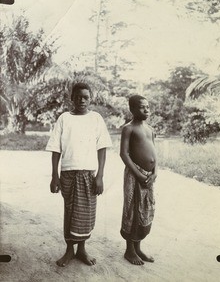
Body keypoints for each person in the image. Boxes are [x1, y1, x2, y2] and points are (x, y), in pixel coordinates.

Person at [46, 82, 112, 267]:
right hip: (68, 173)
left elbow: (102, 148)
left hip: (89, 175)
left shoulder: (96, 118)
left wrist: (99, 176)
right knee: (70, 212)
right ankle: (69, 251)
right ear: (71, 98)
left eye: (86, 97)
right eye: (78, 97)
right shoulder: (64, 118)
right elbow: (55, 148)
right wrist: (54, 176)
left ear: (90, 99)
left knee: (86, 214)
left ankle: (82, 250)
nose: (82, 100)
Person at [120, 94, 157, 265]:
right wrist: (139, 174)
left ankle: (138, 247)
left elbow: (154, 154)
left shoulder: (150, 129)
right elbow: (124, 154)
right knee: (133, 210)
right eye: (142, 107)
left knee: (145, 210)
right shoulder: (129, 128)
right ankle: (129, 250)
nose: (146, 109)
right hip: (136, 176)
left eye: (148, 107)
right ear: (132, 109)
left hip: (149, 178)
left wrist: (154, 172)